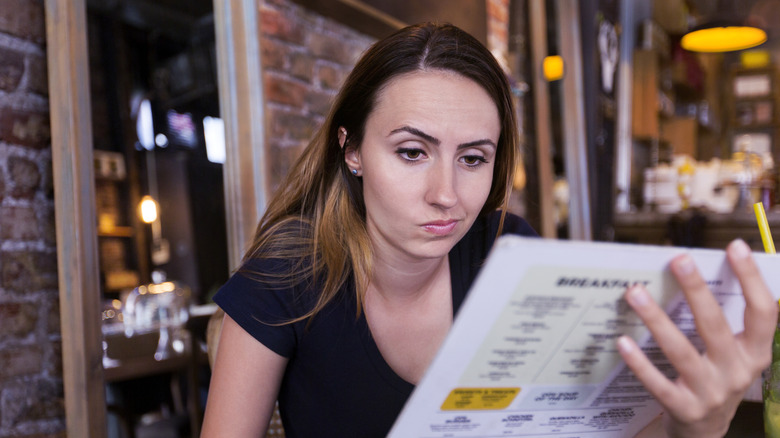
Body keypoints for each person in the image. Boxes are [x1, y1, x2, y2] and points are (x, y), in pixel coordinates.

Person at [200, 22, 777, 438]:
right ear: (350, 150)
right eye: (411, 152)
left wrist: (693, 426)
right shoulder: (287, 271)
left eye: (472, 159)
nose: (446, 194)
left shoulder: (510, 252)